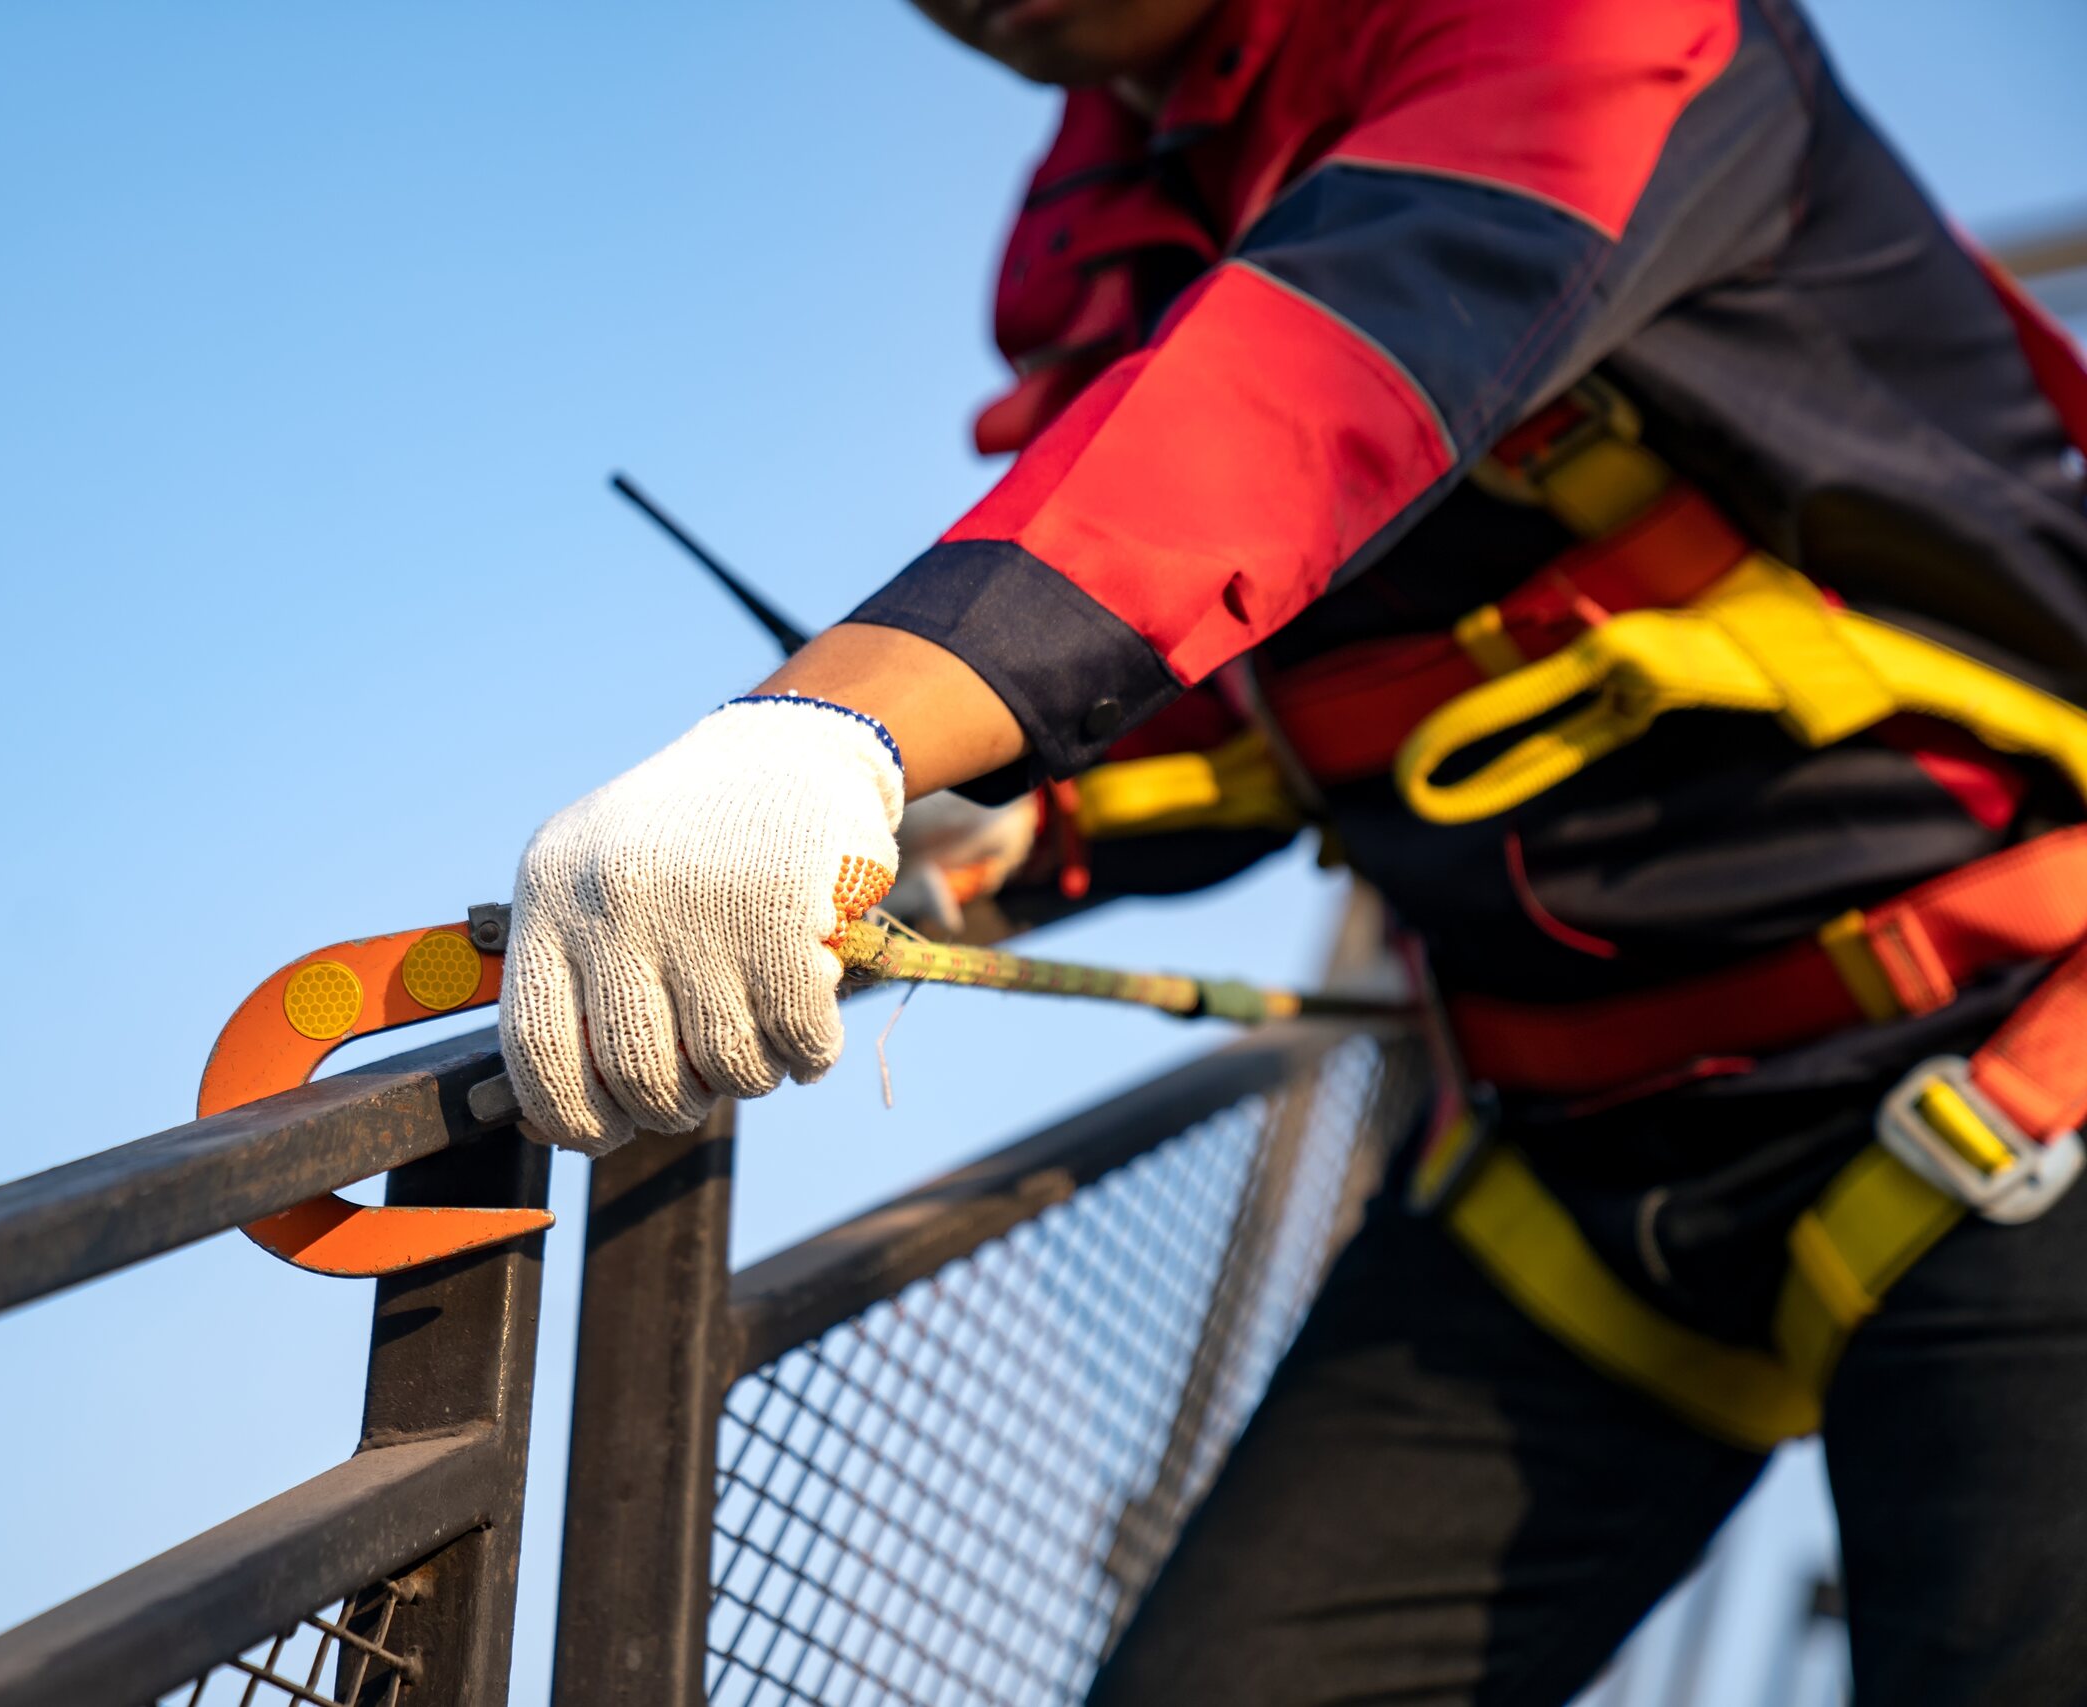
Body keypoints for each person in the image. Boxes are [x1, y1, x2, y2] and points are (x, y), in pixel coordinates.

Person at [497, 0, 2087, 1699]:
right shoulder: (1104, 222)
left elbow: (1301, 386)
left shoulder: (1604, 26)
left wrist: (833, 718)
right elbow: (1281, 677)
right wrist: (1008, 817)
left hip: (2021, 1065)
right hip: (1557, 1180)